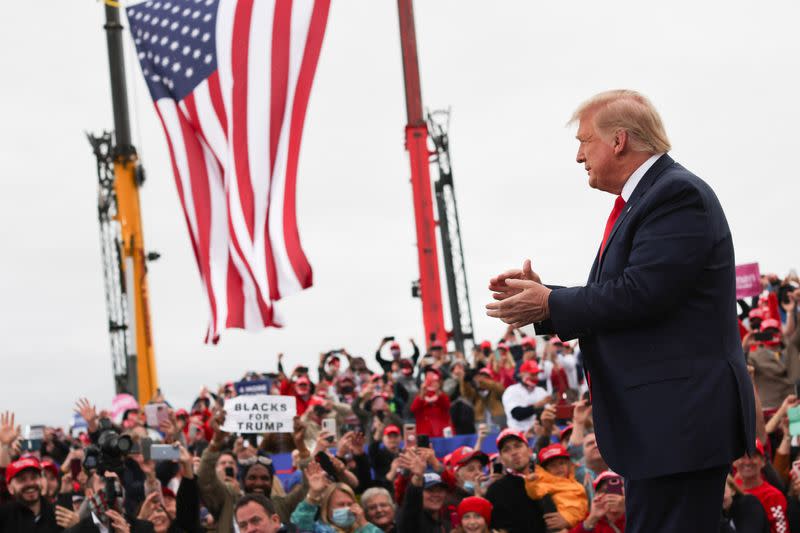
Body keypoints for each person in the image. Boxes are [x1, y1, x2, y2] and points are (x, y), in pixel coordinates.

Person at [487, 89, 755, 532]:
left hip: (678, 422)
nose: (578, 156)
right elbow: (628, 295)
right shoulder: (650, 197)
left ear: (619, 141)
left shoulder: (674, 194)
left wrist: (550, 302)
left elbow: (642, 293)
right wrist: (544, 299)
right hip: (666, 424)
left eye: (584, 141)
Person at [484, 429, 547, 533]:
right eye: (506, 450)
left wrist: (565, 519)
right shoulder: (495, 491)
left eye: (517, 446)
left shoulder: (548, 478)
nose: (513, 453)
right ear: (501, 459)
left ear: (529, 451)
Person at [290, 462, 381, 533]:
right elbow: (299, 524)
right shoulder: (317, 529)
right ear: (327, 508)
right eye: (341, 504)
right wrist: (314, 493)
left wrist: (364, 524)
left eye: (350, 504)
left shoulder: (364, 530)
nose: (347, 508)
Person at [524, 444, 588, 529]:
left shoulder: (577, 483)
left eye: (561, 463)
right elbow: (535, 491)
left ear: (568, 464)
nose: (558, 468)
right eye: (552, 465)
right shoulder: (545, 484)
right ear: (545, 470)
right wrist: (531, 482)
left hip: (581, 525)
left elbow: (584, 508)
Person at [733, 440, 788, 533]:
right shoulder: (728, 490)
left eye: (753, 456)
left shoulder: (773, 496)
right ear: (734, 461)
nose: (747, 462)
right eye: (742, 456)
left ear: (763, 462)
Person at [0, 456, 61, 532]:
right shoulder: (3, 516)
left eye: (34, 477)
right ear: (10, 488)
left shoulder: (57, 515)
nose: (30, 484)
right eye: (22, 479)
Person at [501, 360, 550, 433]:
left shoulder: (541, 391)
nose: (535, 377)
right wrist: (539, 405)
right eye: (532, 374)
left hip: (538, 433)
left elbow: (548, 414)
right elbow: (517, 414)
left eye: (537, 374)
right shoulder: (512, 390)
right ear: (522, 374)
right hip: (518, 434)